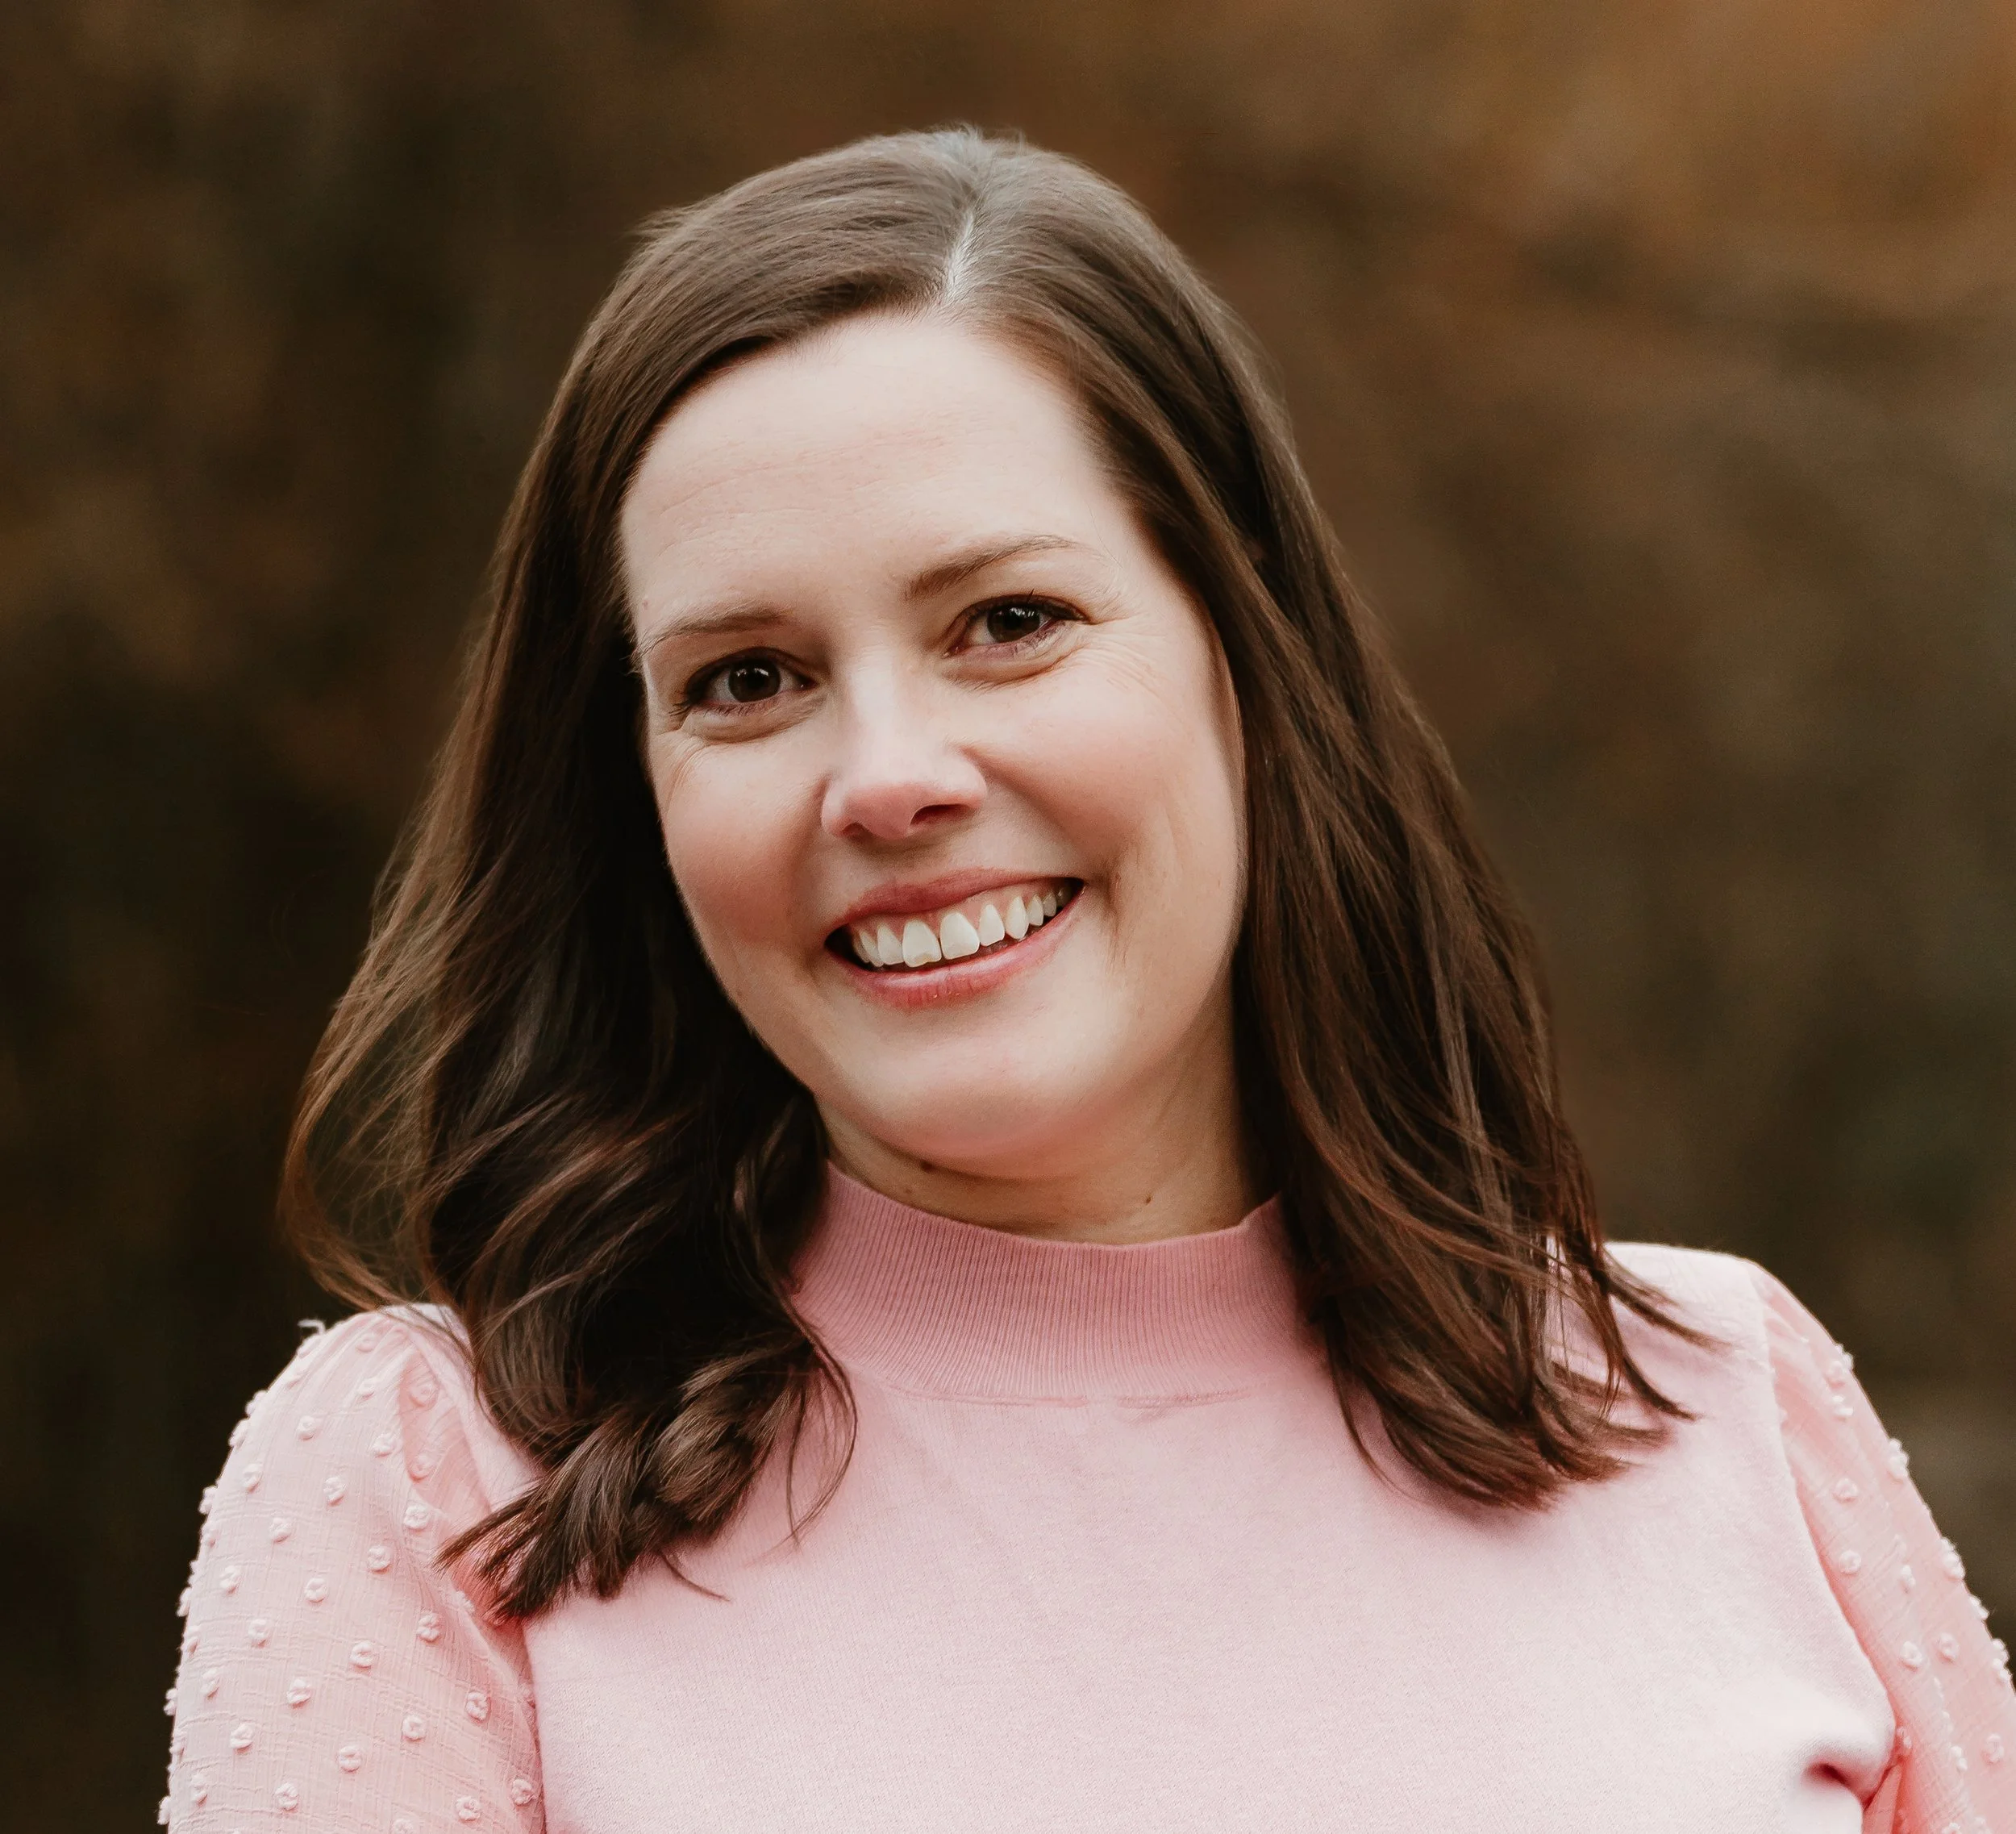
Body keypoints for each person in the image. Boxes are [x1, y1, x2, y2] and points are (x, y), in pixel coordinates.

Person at [160, 129, 2013, 1832]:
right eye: (745, 677)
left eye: (1008, 624)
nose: (887, 774)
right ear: (633, 794)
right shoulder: (434, 1485)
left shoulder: (1716, 1412)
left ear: (1246, 663)